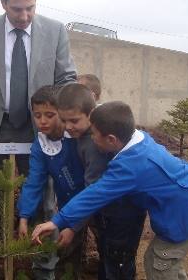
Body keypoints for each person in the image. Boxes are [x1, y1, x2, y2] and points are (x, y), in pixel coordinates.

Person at [0, 0, 77, 279]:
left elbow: (66, 79)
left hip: (40, 133)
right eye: (16, 9)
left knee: (43, 203)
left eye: (31, 7)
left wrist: (61, 121)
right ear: (2, 3)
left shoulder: (55, 32)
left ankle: (44, 271)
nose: (24, 15)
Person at [32, 101, 188, 280]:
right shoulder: (138, 138)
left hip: (186, 214)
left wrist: (58, 221)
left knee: (159, 262)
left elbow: (95, 194)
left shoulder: (131, 166)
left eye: (94, 134)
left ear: (112, 139)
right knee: (167, 261)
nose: (92, 138)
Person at [57, 83, 146, 279]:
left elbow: (94, 191)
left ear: (91, 114)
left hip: (120, 214)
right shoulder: (87, 132)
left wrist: (72, 226)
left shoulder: (95, 144)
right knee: (108, 259)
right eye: (63, 120)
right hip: (108, 212)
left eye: (74, 120)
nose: (67, 127)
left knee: (117, 263)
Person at [17, 85, 86, 277]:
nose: (42, 121)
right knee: (68, 253)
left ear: (61, 113)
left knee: (108, 248)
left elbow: (92, 181)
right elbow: (34, 182)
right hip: (68, 206)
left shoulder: (76, 137)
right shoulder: (41, 145)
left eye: (49, 115)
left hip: (93, 199)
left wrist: (74, 225)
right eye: (37, 115)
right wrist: (24, 217)